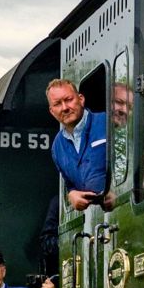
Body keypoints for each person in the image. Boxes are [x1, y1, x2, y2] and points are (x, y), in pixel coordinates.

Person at [47, 78, 108, 213]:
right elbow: (70, 184)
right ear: (52, 111)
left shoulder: (108, 122)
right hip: (94, 224)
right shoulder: (57, 148)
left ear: (81, 99)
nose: (65, 108)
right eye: (57, 104)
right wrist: (72, 194)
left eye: (68, 99)